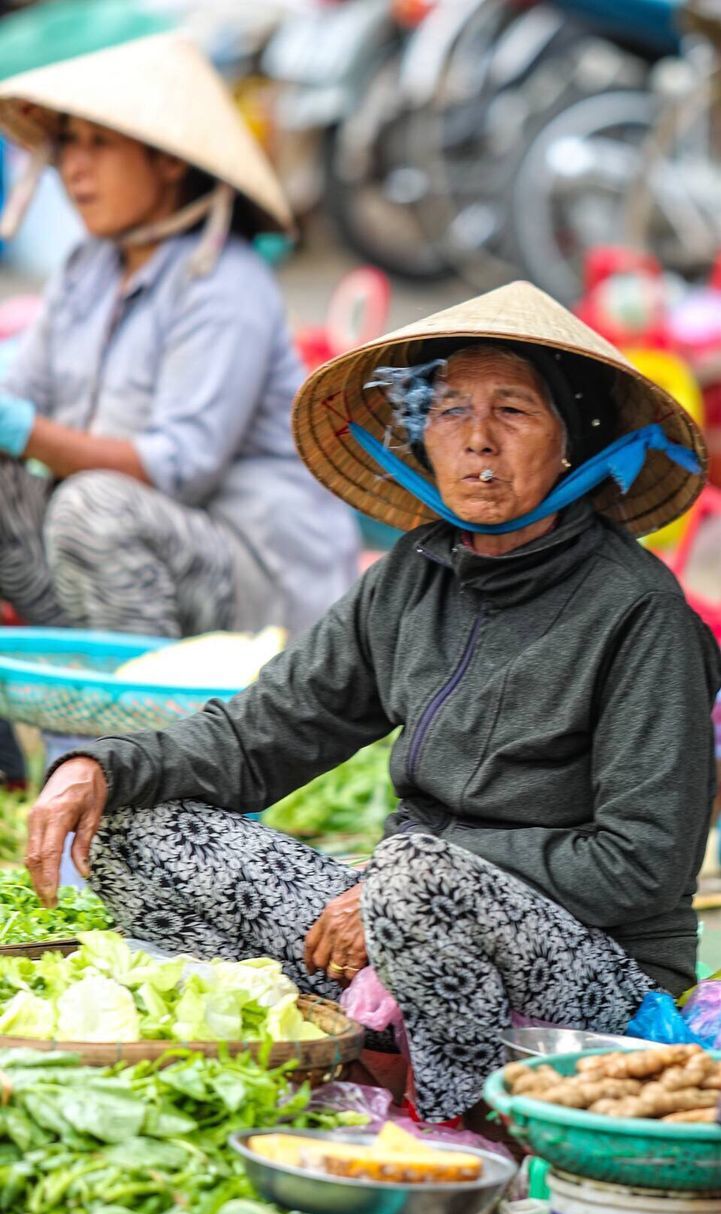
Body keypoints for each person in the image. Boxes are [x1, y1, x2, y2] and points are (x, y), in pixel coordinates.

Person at [26, 282, 721, 1122]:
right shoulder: (410, 580)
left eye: (512, 411)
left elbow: (639, 862)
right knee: (142, 826)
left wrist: (422, 884)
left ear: (574, 442)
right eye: (451, 410)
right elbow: (260, 737)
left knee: (413, 874)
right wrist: (99, 767)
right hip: (406, 918)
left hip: (596, 971)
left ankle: (456, 1129)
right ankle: (317, 1070)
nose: (476, 440)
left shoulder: (640, 616)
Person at [0, 31, 359, 641]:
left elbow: (177, 472)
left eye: (99, 144)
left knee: (95, 508)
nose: (75, 169)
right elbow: (20, 385)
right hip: (119, 567)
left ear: (168, 160)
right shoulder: (87, 268)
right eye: (69, 144)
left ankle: (137, 738)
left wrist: (23, 430)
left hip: (251, 583)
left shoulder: (225, 283)